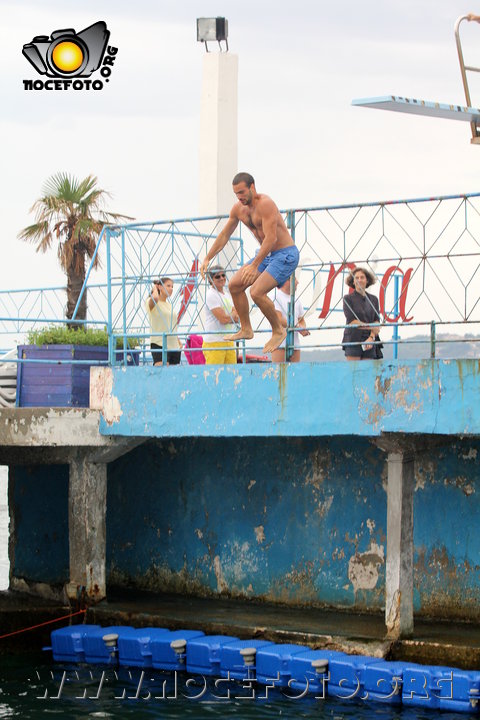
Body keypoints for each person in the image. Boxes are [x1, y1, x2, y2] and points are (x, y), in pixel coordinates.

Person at [199, 172, 299, 354]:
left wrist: (254, 265)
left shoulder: (266, 204)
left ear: (252, 187)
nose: (240, 197)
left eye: (242, 192)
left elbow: (271, 238)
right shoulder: (238, 209)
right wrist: (208, 257)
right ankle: (246, 328)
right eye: (236, 193)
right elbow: (224, 235)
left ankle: (278, 330)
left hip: (285, 254)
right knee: (235, 285)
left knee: (256, 292)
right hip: (267, 255)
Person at [342, 267, 383, 361]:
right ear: (353, 281)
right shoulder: (348, 298)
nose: (359, 280)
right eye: (356, 278)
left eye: (362, 277)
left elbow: (377, 321)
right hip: (353, 338)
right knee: (354, 372)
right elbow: (352, 321)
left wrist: (371, 337)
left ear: (367, 280)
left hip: (369, 339)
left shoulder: (374, 299)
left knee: (367, 372)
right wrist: (371, 327)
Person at [203, 265, 239, 364]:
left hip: (228, 340)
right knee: (214, 376)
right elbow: (223, 319)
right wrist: (232, 316)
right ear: (210, 279)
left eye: (223, 275)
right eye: (217, 276)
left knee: (232, 375)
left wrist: (231, 316)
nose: (222, 278)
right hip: (214, 342)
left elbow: (237, 315)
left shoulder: (227, 294)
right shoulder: (211, 294)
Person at [271, 277, 310, 363]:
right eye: (295, 279)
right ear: (287, 281)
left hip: (295, 344)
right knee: (279, 373)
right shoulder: (276, 297)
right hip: (279, 343)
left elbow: (301, 319)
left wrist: (302, 328)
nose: (298, 282)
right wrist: (297, 328)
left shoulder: (297, 300)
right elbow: (278, 319)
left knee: (295, 374)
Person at [145, 277, 182, 366]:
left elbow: (172, 324)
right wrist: (155, 288)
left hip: (173, 345)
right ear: (160, 287)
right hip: (159, 343)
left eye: (172, 286)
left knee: (173, 376)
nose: (171, 289)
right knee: (161, 373)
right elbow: (155, 298)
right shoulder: (152, 302)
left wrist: (178, 341)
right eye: (168, 286)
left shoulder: (169, 305)